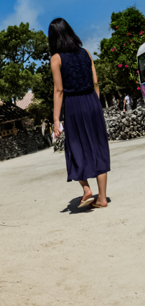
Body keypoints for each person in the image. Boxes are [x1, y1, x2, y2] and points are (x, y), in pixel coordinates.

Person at [49, 18, 110, 209]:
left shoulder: (56, 58)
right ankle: (102, 199)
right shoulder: (86, 53)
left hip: (74, 105)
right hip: (92, 101)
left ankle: (86, 189)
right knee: (98, 146)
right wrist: (95, 105)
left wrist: (56, 119)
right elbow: (96, 82)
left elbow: (59, 90)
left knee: (75, 147)